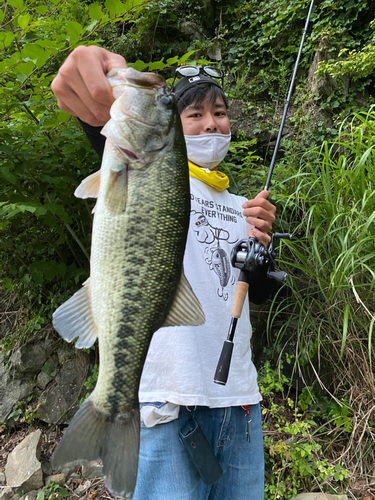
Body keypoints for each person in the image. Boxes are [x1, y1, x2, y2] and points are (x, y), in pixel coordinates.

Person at [52, 45, 277, 500]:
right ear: (175, 127)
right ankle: (109, 407)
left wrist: (262, 255)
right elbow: (113, 135)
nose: (210, 123)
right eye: (193, 114)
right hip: (165, 401)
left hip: (240, 403)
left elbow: (252, 294)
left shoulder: (244, 209)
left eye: (219, 113)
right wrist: (94, 92)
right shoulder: (151, 170)